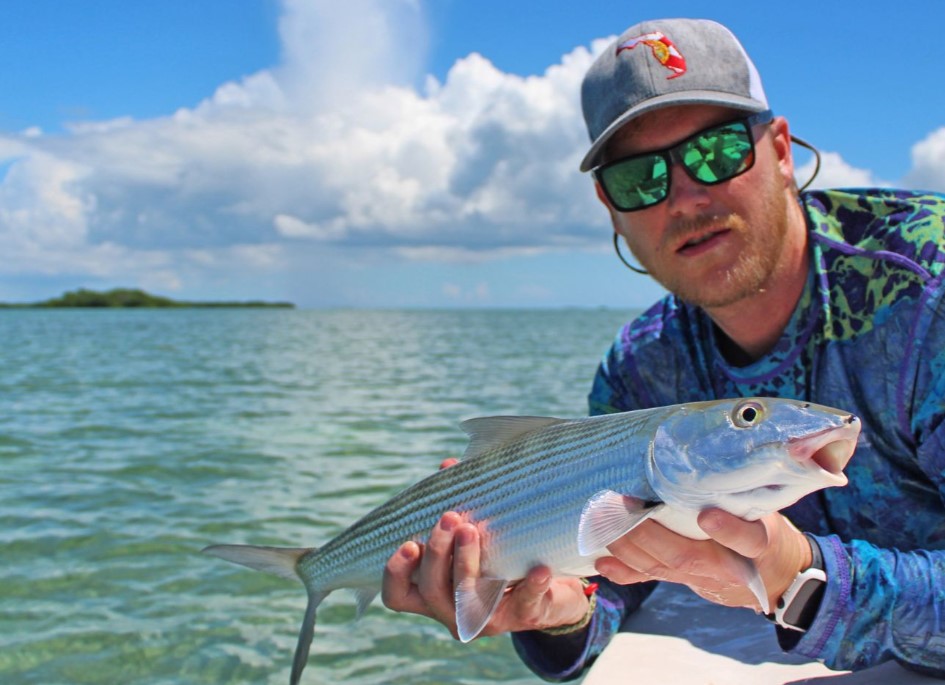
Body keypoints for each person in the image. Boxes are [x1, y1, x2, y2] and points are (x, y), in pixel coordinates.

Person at [381, 17, 945, 680]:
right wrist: (561, 613)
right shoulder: (639, 368)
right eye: (638, 179)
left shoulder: (925, 297)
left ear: (782, 149)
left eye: (715, 151)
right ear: (608, 206)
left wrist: (803, 578)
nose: (683, 196)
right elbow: (614, 580)